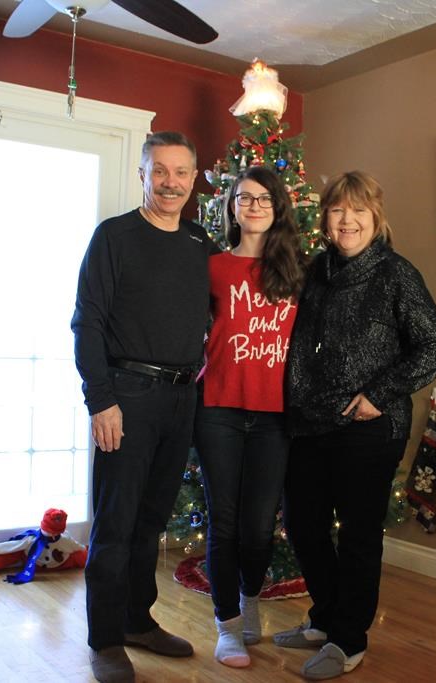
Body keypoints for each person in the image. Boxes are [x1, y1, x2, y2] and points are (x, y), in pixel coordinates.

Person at [274, 171, 436, 680]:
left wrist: (379, 394)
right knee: (304, 526)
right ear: (326, 219)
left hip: (369, 428)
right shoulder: (314, 273)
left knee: (357, 536)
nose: (347, 220)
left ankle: (348, 640)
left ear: (376, 217)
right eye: (337, 210)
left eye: (358, 211)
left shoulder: (397, 274)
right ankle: (326, 618)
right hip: (308, 423)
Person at [71, 131, 218, 683]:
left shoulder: (201, 243)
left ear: (194, 177)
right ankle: (106, 639)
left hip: (184, 396)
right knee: (116, 521)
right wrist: (101, 400)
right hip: (127, 395)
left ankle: (137, 620)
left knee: (151, 519)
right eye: (160, 171)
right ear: (143, 174)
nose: (171, 182)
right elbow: (88, 322)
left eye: (181, 172)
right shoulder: (114, 237)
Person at [194, 165, 306, 668]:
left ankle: (250, 601)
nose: (255, 206)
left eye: (264, 198)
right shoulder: (212, 266)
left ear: (277, 206)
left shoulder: (298, 270)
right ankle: (228, 626)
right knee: (225, 522)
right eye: (244, 198)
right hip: (217, 407)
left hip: (274, 415)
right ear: (232, 207)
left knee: (260, 528)